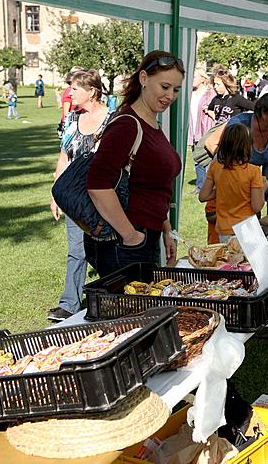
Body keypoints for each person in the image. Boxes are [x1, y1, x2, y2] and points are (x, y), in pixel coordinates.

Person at [85, 50, 184, 277]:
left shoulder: (152, 123)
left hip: (144, 236)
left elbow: (155, 188)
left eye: (176, 90)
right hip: (125, 243)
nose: (170, 96)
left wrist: (167, 230)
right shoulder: (127, 125)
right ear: (143, 79)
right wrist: (131, 236)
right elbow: (97, 185)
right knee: (129, 311)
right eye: (165, 87)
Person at [49, 69, 112, 321]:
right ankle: (69, 304)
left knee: (105, 249)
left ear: (92, 92)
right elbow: (64, 156)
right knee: (77, 250)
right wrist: (56, 194)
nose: (69, 93)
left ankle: (114, 295)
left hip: (103, 197)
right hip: (75, 199)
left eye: (75, 88)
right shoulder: (72, 119)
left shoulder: (113, 119)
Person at [198, 123, 265, 241]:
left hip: (224, 229)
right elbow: (257, 206)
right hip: (248, 228)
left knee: (228, 259)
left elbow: (203, 196)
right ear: (248, 146)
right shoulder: (253, 171)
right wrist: (263, 189)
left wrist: (222, 188)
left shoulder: (215, 166)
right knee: (248, 259)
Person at [188, 69, 216, 193]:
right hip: (194, 128)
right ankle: (200, 186)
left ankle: (209, 186)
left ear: (203, 79)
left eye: (195, 77)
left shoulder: (210, 93)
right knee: (196, 157)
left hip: (205, 128)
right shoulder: (191, 94)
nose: (192, 79)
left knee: (208, 158)